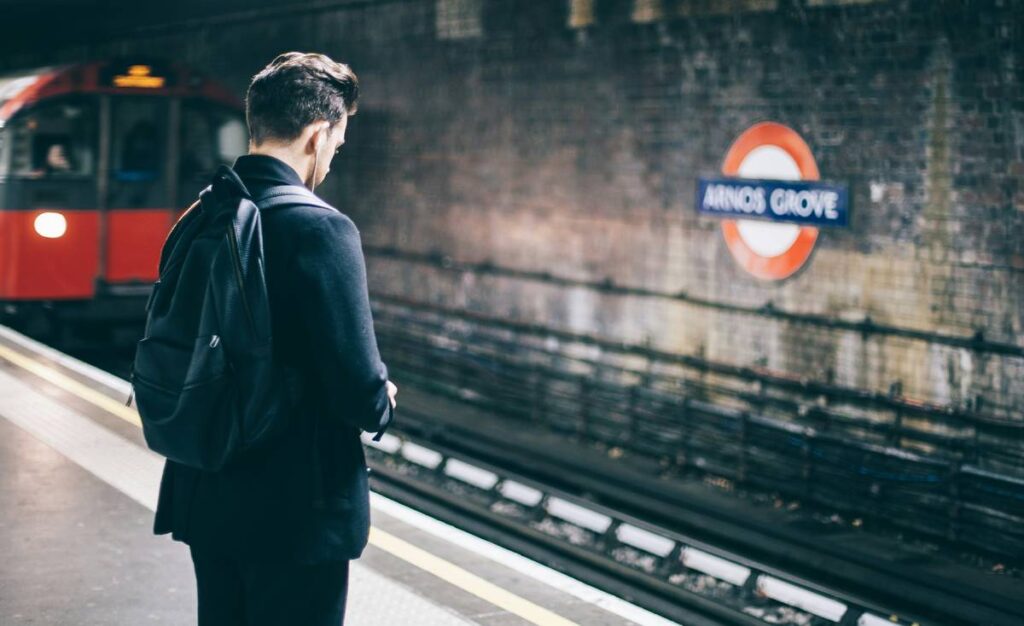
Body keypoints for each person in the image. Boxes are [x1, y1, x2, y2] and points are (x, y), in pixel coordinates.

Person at [151, 51, 398, 626]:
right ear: (317, 134)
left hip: (205, 488)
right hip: (294, 503)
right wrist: (381, 398)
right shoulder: (321, 228)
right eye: (338, 141)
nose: (334, 157)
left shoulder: (202, 215)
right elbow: (356, 384)